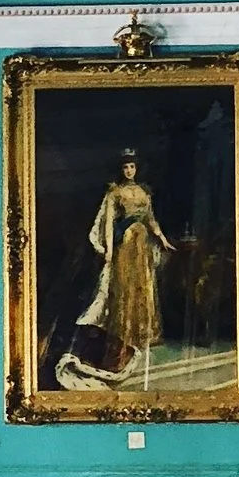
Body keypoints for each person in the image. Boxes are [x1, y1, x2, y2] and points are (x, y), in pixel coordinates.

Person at [69, 150, 173, 383]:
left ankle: (142, 333)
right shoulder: (115, 193)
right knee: (123, 287)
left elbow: (151, 219)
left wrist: (163, 239)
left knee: (142, 286)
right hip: (124, 246)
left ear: (137, 168)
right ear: (121, 169)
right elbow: (108, 223)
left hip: (142, 243)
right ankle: (123, 335)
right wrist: (108, 250)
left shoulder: (144, 192)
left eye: (132, 167)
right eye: (125, 167)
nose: (129, 171)